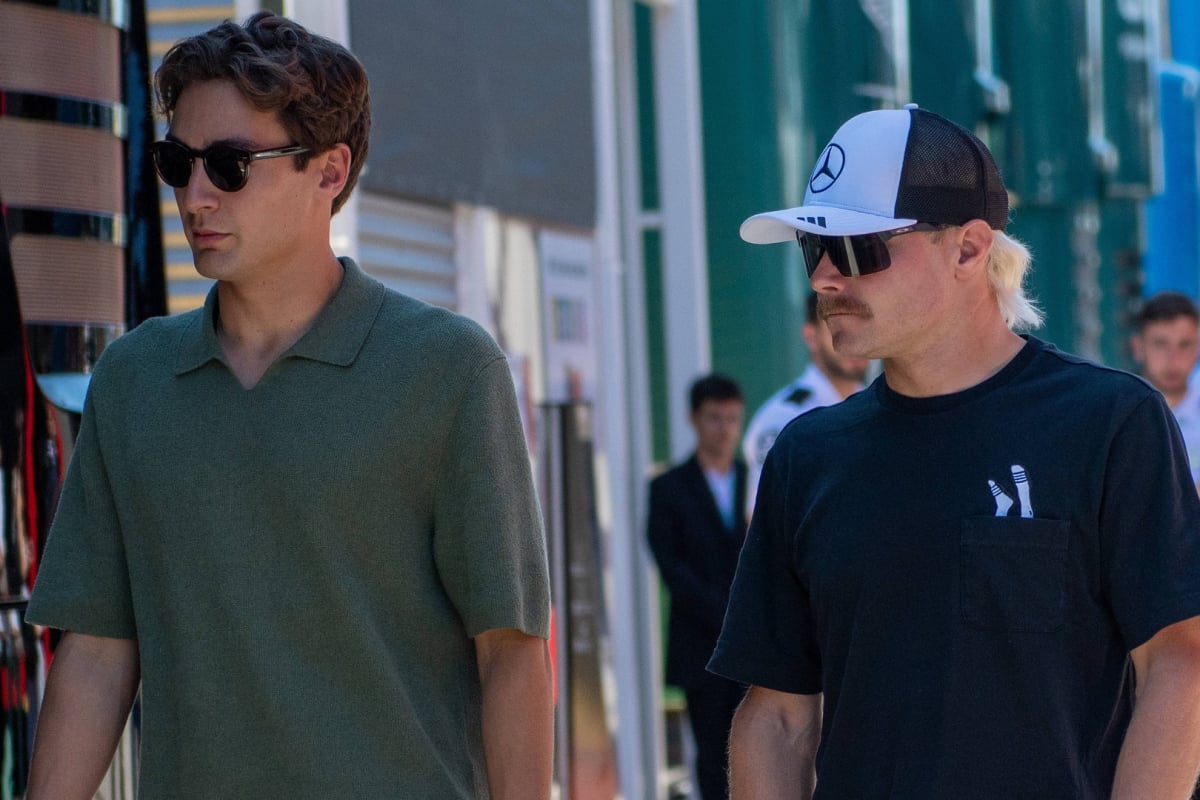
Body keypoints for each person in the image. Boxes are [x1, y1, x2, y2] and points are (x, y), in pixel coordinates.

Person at [24, 13, 552, 799]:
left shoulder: (447, 370)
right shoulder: (134, 379)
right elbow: (97, 652)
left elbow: (509, 653)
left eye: (230, 165)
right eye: (177, 162)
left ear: (329, 171)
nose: (195, 195)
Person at [709, 104, 1200, 798]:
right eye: (811, 249)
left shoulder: (1109, 424)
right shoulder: (808, 455)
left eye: (856, 248)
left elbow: (1179, 664)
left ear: (970, 248)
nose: (824, 276)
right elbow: (778, 717)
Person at [647, 374, 748, 800]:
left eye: (732, 419)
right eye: (714, 418)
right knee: (711, 759)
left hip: (751, 648)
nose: (724, 429)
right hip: (701, 646)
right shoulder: (668, 488)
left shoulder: (756, 478)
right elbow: (671, 565)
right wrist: (726, 613)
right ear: (694, 419)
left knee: (757, 752)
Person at [741, 291, 868, 513]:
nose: (854, 336)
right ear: (811, 337)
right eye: (838, 324)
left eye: (863, 322)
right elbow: (765, 525)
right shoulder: (782, 418)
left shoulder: (876, 405)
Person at [1131, 290, 1200, 490]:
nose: (1173, 358)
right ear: (1138, 347)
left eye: (1184, 345)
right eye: (1160, 344)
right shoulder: (1117, 414)